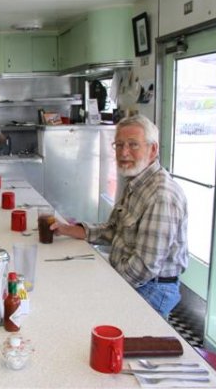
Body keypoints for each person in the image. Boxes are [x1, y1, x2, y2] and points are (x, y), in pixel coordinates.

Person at [52, 114, 188, 318]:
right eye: (119, 145)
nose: (124, 153)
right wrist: (69, 229)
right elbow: (114, 229)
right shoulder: (137, 182)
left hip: (152, 288)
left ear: (153, 150)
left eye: (133, 145)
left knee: (84, 312)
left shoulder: (161, 195)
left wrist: (106, 284)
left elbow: (143, 267)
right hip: (132, 277)